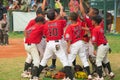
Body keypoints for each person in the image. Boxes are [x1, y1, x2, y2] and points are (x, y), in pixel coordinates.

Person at [38, 8, 74, 80]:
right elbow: (64, 22)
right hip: (57, 43)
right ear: (55, 15)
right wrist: (61, 16)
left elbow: (45, 35)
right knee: (64, 61)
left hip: (49, 44)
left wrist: (57, 17)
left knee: (44, 60)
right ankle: (70, 78)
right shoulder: (60, 22)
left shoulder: (46, 24)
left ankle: (34, 76)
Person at [21, 0, 47, 78]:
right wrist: (29, 38)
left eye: (44, 14)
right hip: (31, 41)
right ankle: (32, 74)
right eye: (42, 14)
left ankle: (32, 71)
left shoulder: (39, 22)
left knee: (39, 54)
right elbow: (25, 31)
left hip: (31, 41)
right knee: (33, 57)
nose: (43, 15)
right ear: (38, 14)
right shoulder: (35, 22)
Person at [64, 12, 92, 80]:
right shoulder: (79, 24)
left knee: (69, 61)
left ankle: (68, 77)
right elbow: (82, 26)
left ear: (70, 18)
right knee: (84, 59)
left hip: (74, 44)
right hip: (80, 42)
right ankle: (89, 76)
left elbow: (69, 39)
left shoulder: (70, 27)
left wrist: (68, 48)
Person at [91, 15, 115, 80]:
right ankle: (110, 73)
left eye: (92, 20)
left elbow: (95, 42)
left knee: (98, 61)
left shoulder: (95, 29)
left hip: (101, 46)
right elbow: (103, 37)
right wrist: (109, 47)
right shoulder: (100, 27)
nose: (91, 21)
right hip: (106, 44)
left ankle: (100, 77)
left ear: (95, 22)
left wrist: (95, 50)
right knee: (105, 60)